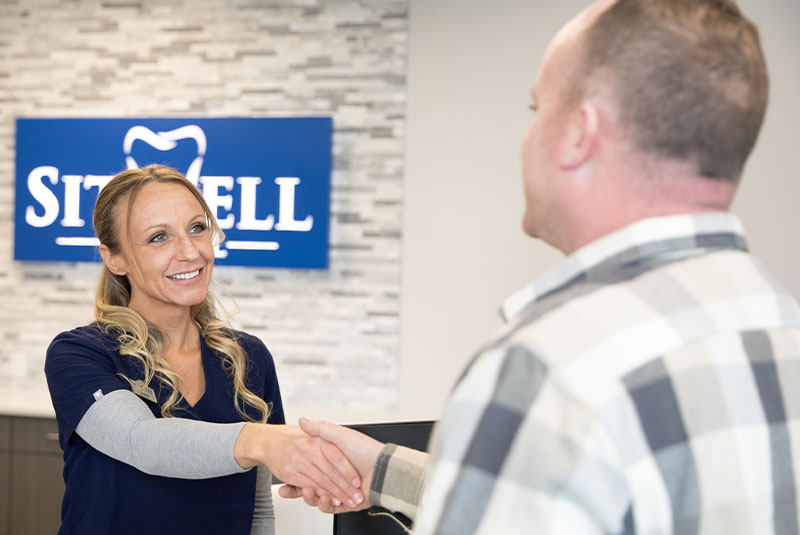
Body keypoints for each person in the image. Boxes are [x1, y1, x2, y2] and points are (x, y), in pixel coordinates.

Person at [282, 0, 800, 533]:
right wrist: (383, 471)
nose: (526, 138)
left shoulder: (550, 367)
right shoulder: (776, 320)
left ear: (579, 132)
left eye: (536, 110)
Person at [44, 165, 364, 535]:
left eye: (197, 228)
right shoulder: (80, 353)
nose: (190, 251)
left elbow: (258, 507)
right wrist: (260, 439)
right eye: (159, 237)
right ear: (115, 259)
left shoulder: (248, 357)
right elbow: (141, 442)